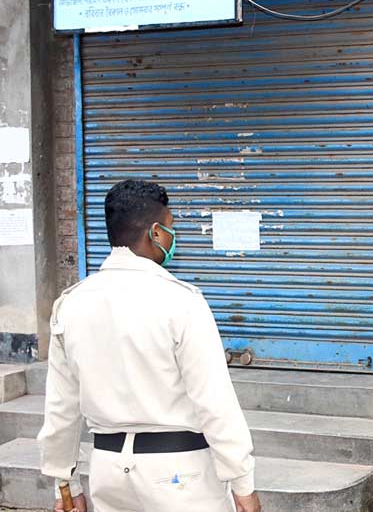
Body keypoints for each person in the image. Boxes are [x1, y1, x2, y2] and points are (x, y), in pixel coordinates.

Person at [38, 179, 261, 512]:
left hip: (109, 472)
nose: (173, 237)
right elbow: (214, 402)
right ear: (155, 233)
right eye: (170, 228)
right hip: (180, 476)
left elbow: (61, 406)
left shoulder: (70, 305)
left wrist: (64, 484)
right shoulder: (181, 301)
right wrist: (243, 483)